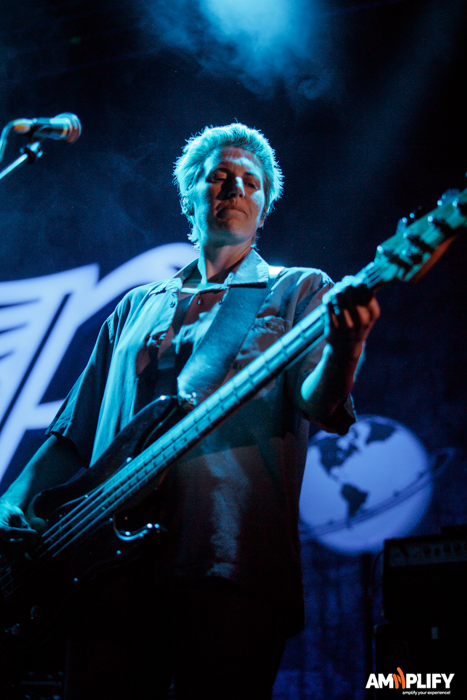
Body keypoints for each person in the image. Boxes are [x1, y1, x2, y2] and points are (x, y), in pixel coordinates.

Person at [0, 124, 380, 699]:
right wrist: (11, 501)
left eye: (252, 182)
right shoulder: (135, 306)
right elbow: (73, 434)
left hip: (227, 559)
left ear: (264, 209)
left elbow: (318, 402)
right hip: (99, 569)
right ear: (189, 197)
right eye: (220, 176)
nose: (236, 187)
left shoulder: (299, 290)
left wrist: (346, 347)